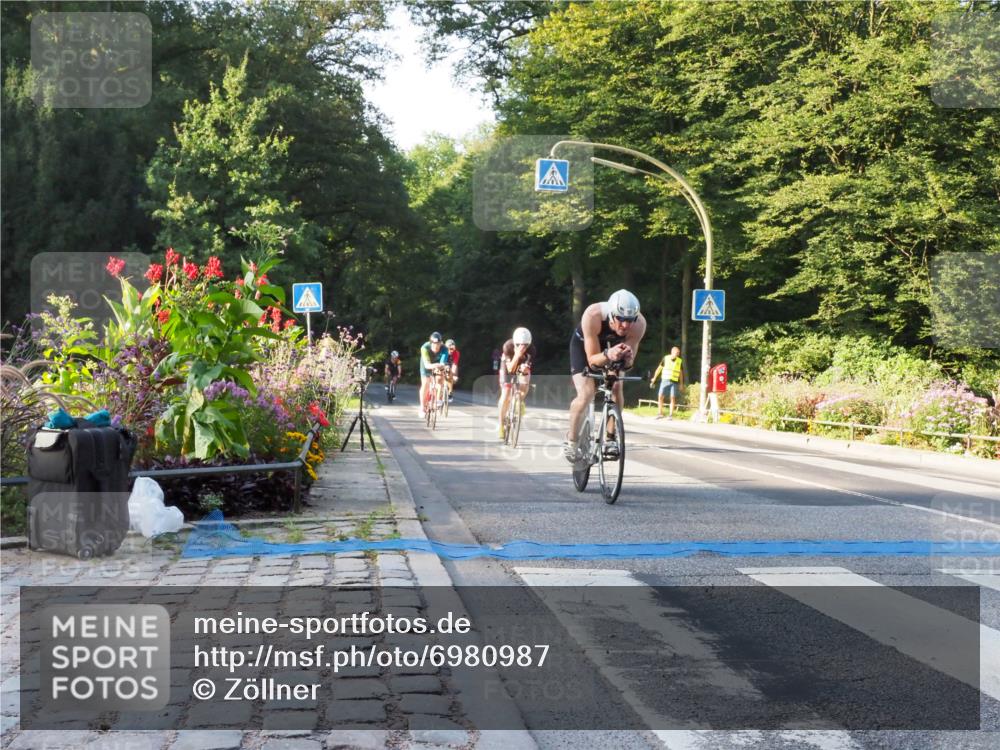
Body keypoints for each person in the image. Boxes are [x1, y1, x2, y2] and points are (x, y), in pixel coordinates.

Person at [565, 289, 647, 461]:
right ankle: (571, 440)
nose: (625, 325)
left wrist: (627, 359)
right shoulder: (592, 315)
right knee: (586, 394)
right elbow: (593, 360)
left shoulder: (639, 324)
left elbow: (628, 363)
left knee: (616, 385)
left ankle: (610, 438)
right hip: (585, 348)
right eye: (621, 319)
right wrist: (608, 354)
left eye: (630, 320)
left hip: (614, 349)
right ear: (611, 315)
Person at [498, 327, 536, 440]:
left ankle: (519, 400)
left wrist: (525, 368)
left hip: (520, 366)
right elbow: (509, 369)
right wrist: (517, 355)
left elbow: (526, 367)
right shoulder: (507, 346)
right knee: (505, 394)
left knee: (525, 382)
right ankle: (501, 425)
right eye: (519, 344)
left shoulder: (532, 349)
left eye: (526, 345)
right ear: (515, 342)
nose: (523, 347)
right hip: (508, 365)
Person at [418, 332, 449, 418]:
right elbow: (427, 365)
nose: (436, 347)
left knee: (440, 379)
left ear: (441, 343)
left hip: (438, 364)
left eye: (438, 344)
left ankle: (438, 399)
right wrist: (435, 366)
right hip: (426, 365)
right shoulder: (424, 348)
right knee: (426, 384)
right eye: (434, 345)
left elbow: (442, 363)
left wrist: (441, 367)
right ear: (431, 343)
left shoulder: (445, 349)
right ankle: (422, 408)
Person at [650, 346, 684, 419]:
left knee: (672, 397)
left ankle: (670, 415)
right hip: (665, 380)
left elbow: (681, 373)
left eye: (678, 353)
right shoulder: (666, 358)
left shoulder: (679, 361)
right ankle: (660, 413)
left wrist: (681, 384)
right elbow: (659, 368)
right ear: (672, 352)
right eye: (676, 352)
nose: (677, 354)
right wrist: (654, 378)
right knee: (660, 396)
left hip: (674, 382)